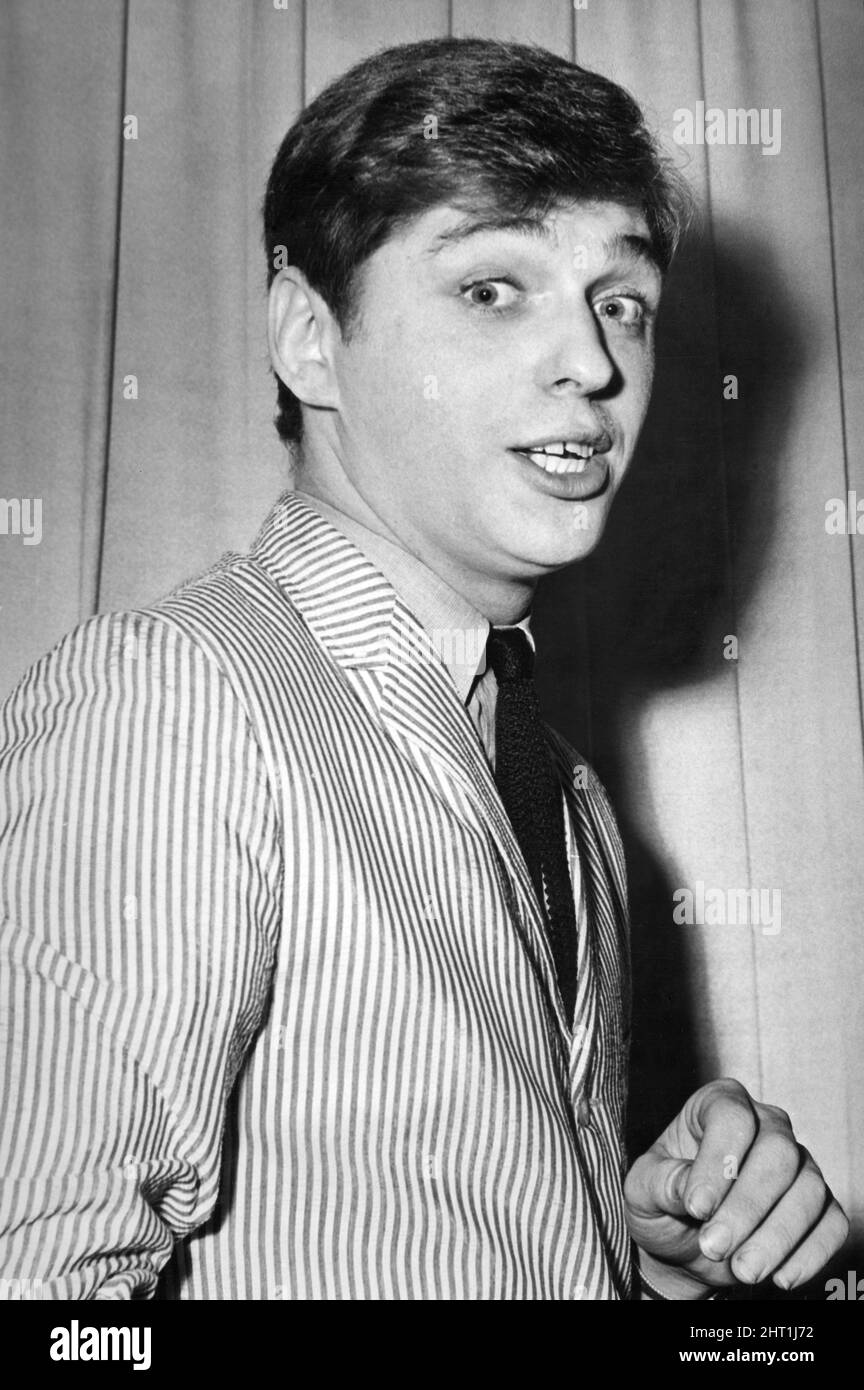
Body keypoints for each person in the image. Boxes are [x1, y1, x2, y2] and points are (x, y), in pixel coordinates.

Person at [0, 36, 848, 1301]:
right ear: (311, 339)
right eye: (494, 288)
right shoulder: (177, 699)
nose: (595, 363)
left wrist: (651, 1252)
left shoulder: (569, 798)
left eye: (621, 301)